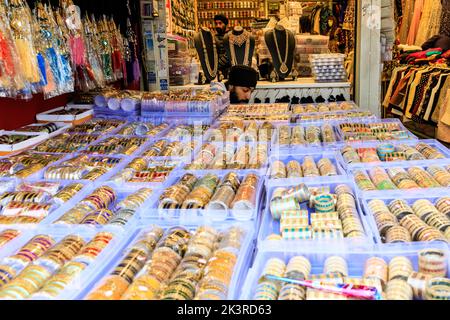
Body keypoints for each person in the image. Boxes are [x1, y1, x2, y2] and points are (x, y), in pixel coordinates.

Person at [214, 14, 230, 78]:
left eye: (220, 23)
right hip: (218, 72)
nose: (218, 26)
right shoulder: (215, 37)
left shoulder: (230, 36)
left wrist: (217, 65)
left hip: (228, 71)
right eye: (216, 23)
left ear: (226, 24)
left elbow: (229, 54)